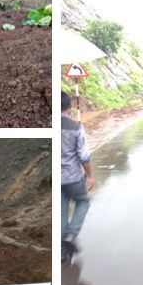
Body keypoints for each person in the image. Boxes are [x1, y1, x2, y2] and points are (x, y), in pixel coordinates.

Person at [61, 91, 95, 261]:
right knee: (83, 201)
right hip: (73, 177)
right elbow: (83, 155)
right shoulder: (75, 127)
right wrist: (90, 176)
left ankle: (62, 248)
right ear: (69, 106)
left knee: (61, 211)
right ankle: (71, 235)